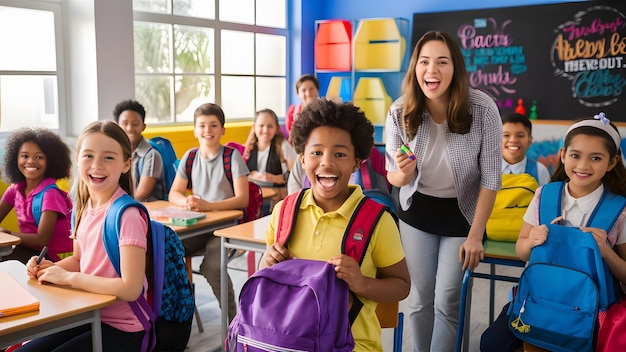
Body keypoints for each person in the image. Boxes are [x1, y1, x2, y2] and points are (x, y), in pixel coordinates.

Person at [260, 98, 410, 351]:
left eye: (340, 154)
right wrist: (267, 263)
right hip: (288, 340)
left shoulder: (377, 221)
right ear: (302, 159)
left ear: (356, 162)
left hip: (352, 344)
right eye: (316, 152)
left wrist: (362, 283)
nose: (327, 162)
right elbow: (267, 281)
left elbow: (401, 286)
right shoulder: (283, 211)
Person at [385, 30, 502, 351]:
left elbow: (491, 178)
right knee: (419, 298)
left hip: (461, 214)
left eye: (442, 62)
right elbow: (391, 177)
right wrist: (402, 173)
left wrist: (477, 234)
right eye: (424, 62)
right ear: (415, 68)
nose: (431, 70)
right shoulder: (399, 111)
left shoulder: (482, 109)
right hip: (416, 211)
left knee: (447, 299)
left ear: (456, 69)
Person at [480, 114, 626, 352]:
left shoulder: (618, 209)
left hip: (589, 312)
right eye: (575, 155)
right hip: (539, 299)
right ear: (563, 155)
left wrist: (606, 253)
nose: (583, 165)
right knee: (491, 343)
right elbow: (521, 251)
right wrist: (531, 241)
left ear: (612, 162)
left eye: (596, 158)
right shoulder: (543, 196)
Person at [17, 121, 148, 351]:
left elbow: (131, 288)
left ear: (126, 164)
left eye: (108, 157)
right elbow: (79, 260)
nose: (97, 165)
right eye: (88, 155)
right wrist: (48, 269)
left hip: (122, 328)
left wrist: (68, 279)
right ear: (77, 158)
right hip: (88, 311)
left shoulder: (128, 215)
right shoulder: (81, 207)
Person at [168, 102, 249, 321]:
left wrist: (209, 205)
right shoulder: (190, 156)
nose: (207, 131)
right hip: (197, 226)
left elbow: (243, 199)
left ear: (222, 130)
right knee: (164, 252)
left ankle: (233, 322)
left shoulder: (232, 157)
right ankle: (177, 317)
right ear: (194, 130)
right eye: (202, 125)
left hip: (224, 228)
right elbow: (174, 193)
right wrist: (186, 202)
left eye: (213, 125)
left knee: (212, 268)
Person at [0, 127, 73, 263]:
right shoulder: (15, 189)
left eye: (38, 157)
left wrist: (9, 234)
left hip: (50, 257)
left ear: (50, 161)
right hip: (26, 249)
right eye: (24, 156)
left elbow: (42, 240)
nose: (30, 161)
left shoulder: (50, 194)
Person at [244, 108, 297, 209]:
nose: (265, 130)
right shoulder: (249, 148)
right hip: (255, 198)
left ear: (277, 129)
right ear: (254, 127)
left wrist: (276, 178)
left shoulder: (283, 146)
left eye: (270, 126)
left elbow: (296, 174)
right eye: (261, 126)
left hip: (277, 199)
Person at [113, 99, 165, 202]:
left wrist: (116, 206)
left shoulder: (152, 155)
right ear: (117, 126)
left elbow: (141, 194)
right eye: (125, 123)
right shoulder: (114, 153)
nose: (130, 128)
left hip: (146, 211)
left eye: (135, 124)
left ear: (143, 127)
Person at [501, 112, 551, 186]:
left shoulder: (540, 171)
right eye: (506, 135)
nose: (513, 140)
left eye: (520, 136)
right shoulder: (486, 170)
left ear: (529, 141)